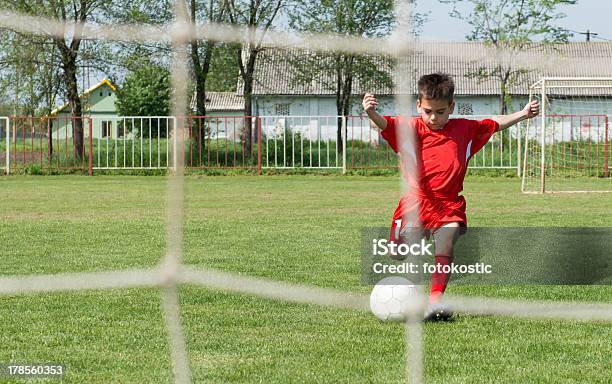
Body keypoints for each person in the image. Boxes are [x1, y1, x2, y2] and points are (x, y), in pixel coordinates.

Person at [363, 73, 539, 321]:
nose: (434, 117)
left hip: (448, 204)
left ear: (452, 107)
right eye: (428, 111)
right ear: (418, 106)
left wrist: (522, 114)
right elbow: (385, 124)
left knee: (447, 238)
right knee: (396, 252)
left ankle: (435, 301)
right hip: (416, 202)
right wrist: (371, 113)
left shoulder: (465, 129)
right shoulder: (410, 128)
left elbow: (494, 123)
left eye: (441, 112)